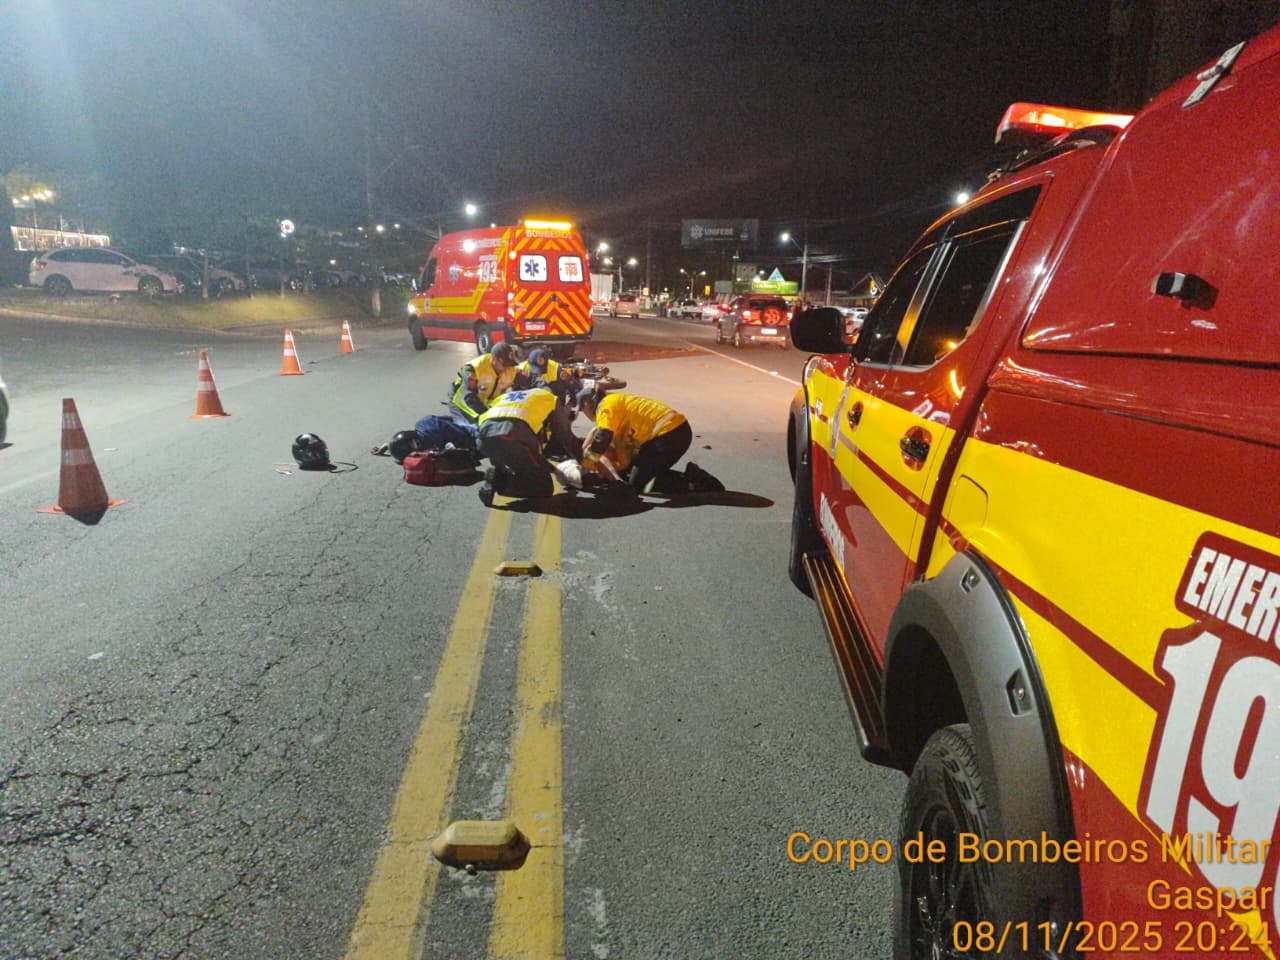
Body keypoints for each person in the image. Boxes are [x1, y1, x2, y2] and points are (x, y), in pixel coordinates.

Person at [575, 385, 723, 493]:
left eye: (583, 410)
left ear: (587, 404)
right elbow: (624, 456)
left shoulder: (604, 407)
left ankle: (694, 481)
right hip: (676, 430)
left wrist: (588, 462)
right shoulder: (617, 402)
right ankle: (690, 475)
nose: (585, 414)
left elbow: (603, 436)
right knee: (639, 471)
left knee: (636, 484)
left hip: (667, 435)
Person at [475, 384, 582, 505]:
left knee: (519, 464)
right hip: (512, 435)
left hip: (483, 439)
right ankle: (499, 482)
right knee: (544, 487)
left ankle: (498, 475)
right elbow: (565, 435)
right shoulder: (550, 398)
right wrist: (582, 462)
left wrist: (555, 470)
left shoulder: (508, 396)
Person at [448, 341, 519, 423]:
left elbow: (526, 383)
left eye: (509, 364)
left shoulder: (510, 369)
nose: (506, 368)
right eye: (504, 364)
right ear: (494, 358)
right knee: (470, 428)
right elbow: (469, 397)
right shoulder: (474, 369)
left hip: (483, 403)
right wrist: (487, 415)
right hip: (462, 403)